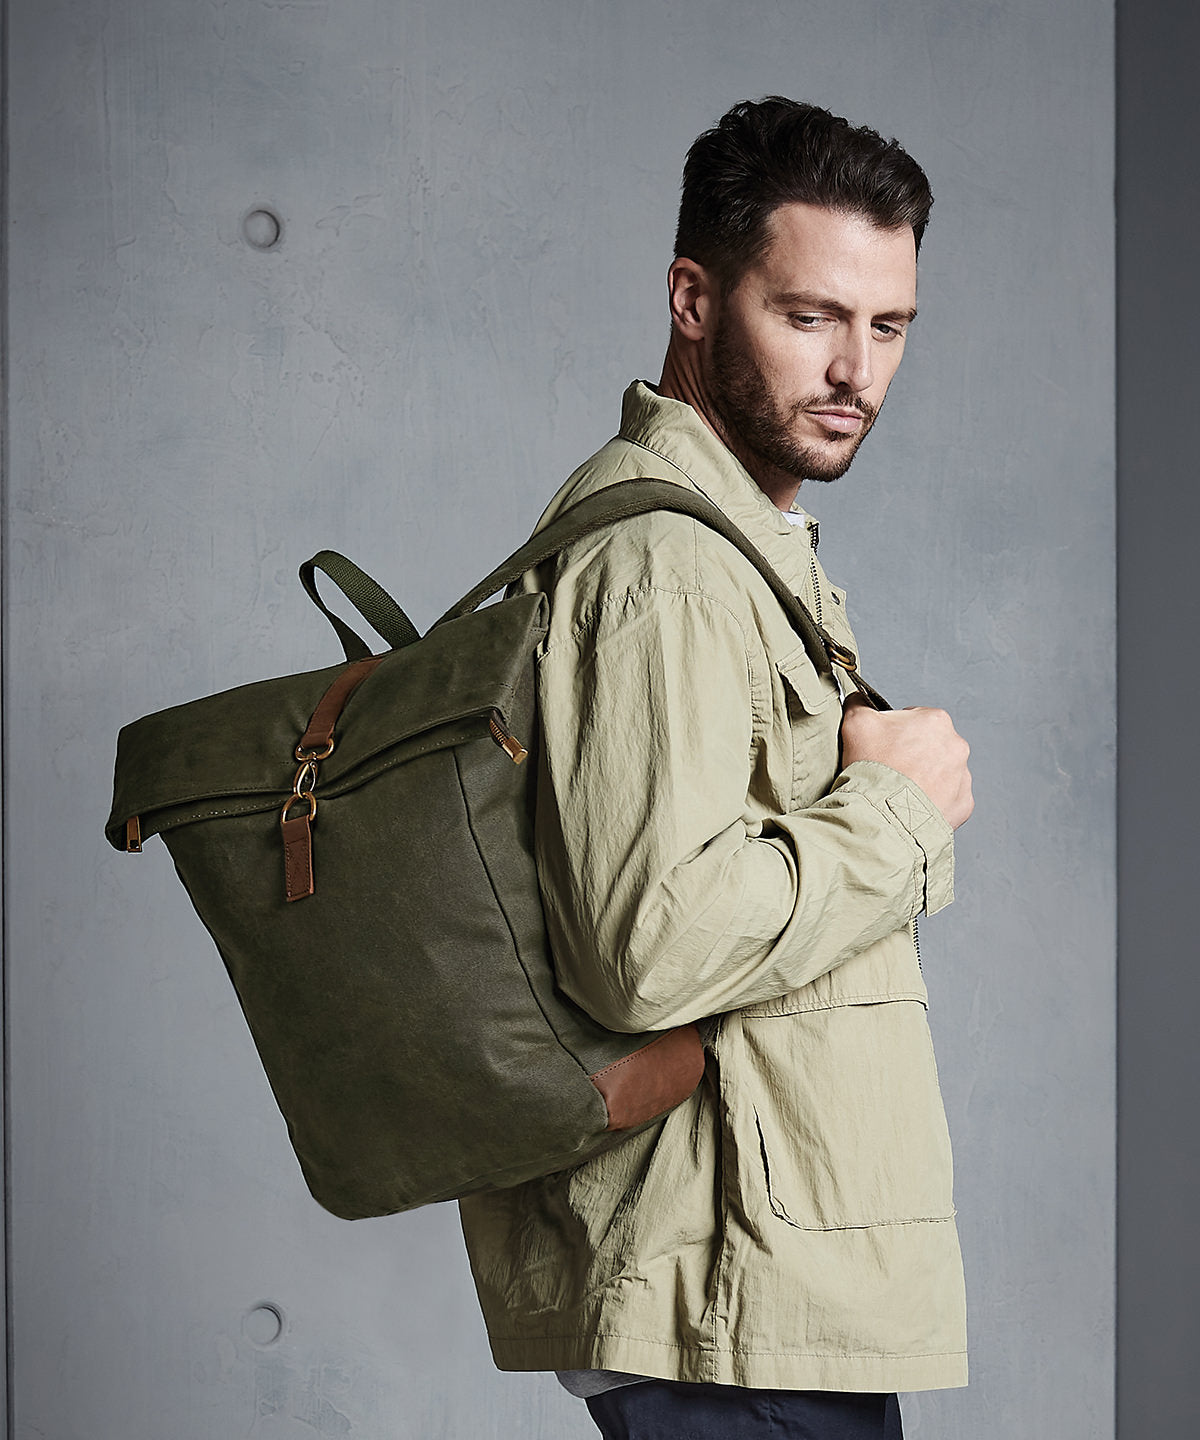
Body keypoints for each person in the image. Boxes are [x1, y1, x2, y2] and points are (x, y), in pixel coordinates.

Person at [458, 97, 972, 1440]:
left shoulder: (730, 543)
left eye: (889, 325)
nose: (854, 370)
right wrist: (900, 814)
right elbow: (649, 944)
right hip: (727, 1305)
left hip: (761, 1290)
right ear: (694, 300)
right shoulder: (665, 565)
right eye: (809, 316)